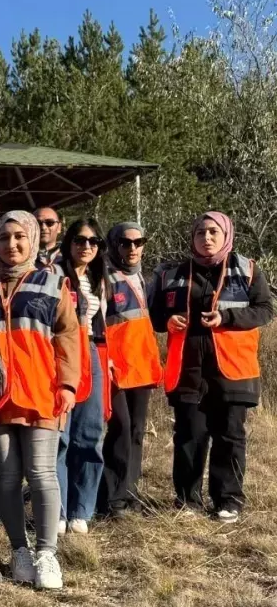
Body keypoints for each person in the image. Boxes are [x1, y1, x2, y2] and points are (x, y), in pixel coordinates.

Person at [150, 212, 273, 522]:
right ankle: (187, 501)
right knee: (189, 436)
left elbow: (264, 311)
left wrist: (227, 318)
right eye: (200, 232)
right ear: (192, 238)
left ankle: (228, 500)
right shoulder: (173, 274)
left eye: (213, 232)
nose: (206, 237)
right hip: (188, 370)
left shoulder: (247, 270)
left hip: (233, 370)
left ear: (226, 235)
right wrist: (167, 320)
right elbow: (153, 315)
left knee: (229, 436)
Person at [0, 211, 80, 590]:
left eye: (19, 237)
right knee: (6, 479)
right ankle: (19, 550)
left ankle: (47, 552)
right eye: (4, 238)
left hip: (42, 393)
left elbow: (69, 336)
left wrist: (68, 384)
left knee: (41, 474)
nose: (11, 245)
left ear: (33, 240)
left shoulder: (52, 284)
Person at [100, 221, 161, 516]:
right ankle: (112, 498)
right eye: (125, 242)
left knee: (136, 430)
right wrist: (104, 361)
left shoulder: (145, 280)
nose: (133, 248)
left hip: (140, 365)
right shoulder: (104, 277)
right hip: (114, 367)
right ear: (114, 244)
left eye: (138, 242)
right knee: (120, 429)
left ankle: (128, 492)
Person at [55, 219, 110, 536]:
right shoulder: (54, 274)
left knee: (89, 435)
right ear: (68, 243)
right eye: (79, 240)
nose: (86, 246)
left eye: (94, 241)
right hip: (61, 351)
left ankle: (81, 510)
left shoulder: (100, 279)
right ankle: (58, 510)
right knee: (60, 436)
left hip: (92, 352)